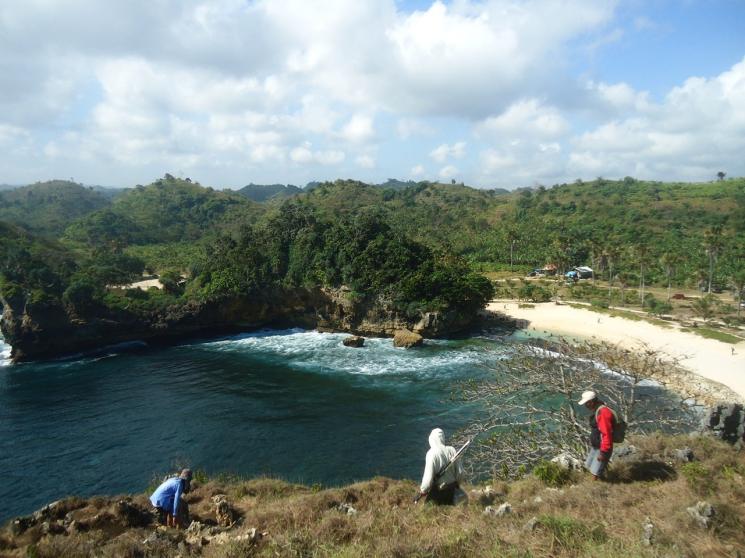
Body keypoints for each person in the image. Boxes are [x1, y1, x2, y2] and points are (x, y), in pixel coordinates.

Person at [418, 428, 464, 505]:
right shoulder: (452, 450)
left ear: (432, 440)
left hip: (439, 492)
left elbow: (428, 479)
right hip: (453, 490)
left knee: (427, 511)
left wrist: (423, 491)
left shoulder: (431, 453)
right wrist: (457, 485)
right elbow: (460, 472)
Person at [577, 390, 614, 480]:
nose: (585, 406)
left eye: (586, 403)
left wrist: (603, 452)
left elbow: (606, 434)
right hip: (596, 446)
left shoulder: (603, 413)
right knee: (589, 467)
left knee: (595, 474)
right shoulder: (598, 410)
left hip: (602, 448)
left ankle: (598, 488)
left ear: (591, 402)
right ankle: (606, 480)